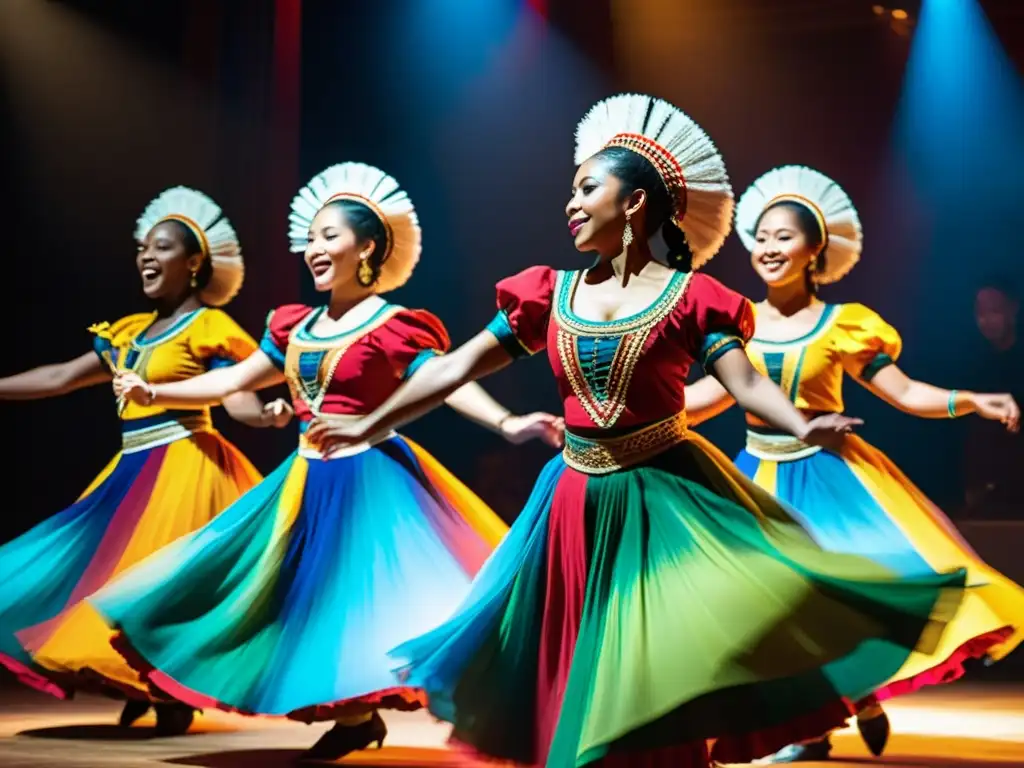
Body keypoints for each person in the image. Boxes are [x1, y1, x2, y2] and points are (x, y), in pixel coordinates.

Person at [302, 95, 969, 768]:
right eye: (571, 190)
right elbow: (450, 369)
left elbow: (744, 383)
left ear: (635, 204)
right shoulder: (547, 295)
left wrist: (804, 422)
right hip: (572, 503)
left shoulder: (691, 299)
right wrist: (367, 418)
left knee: (658, 671)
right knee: (578, 672)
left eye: (587, 187)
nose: (571, 202)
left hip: (663, 497)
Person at [106, 162, 562, 762]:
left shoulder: (393, 326)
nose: (314, 249)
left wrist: (507, 421)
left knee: (377, 599)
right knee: (298, 603)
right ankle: (355, 719)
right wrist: (155, 391)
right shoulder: (295, 326)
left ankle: (413, 709)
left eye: (330, 237)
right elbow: (236, 381)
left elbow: (447, 380)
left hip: (369, 475)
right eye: (311, 238)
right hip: (305, 479)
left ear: (367, 246)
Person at [681, 165, 1024, 761]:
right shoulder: (738, 326)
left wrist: (973, 401)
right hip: (755, 477)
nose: (768, 247)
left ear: (816, 250)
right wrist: (612, 409)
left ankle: (844, 701)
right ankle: (805, 719)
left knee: (843, 595)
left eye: (783, 236)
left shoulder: (845, 326)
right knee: (759, 602)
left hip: (829, 478)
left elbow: (908, 394)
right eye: (761, 236)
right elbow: (702, 400)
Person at [0, 186, 293, 735]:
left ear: (194, 263)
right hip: (130, 472)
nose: (146, 257)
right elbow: (61, 377)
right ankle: (138, 679)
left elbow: (239, 396)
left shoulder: (208, 325)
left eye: (161, 248)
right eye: (143, 250)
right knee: (100, 582)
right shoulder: (128, 333)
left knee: (160, 584)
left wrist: (268, 416)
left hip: (185, 465)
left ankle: (167, 687)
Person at [963, 279, 1024, 518]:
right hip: (994, 485)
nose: (986, 320)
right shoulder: (975, 362)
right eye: (980, 312)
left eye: (994, 310)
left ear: (1013, 308)